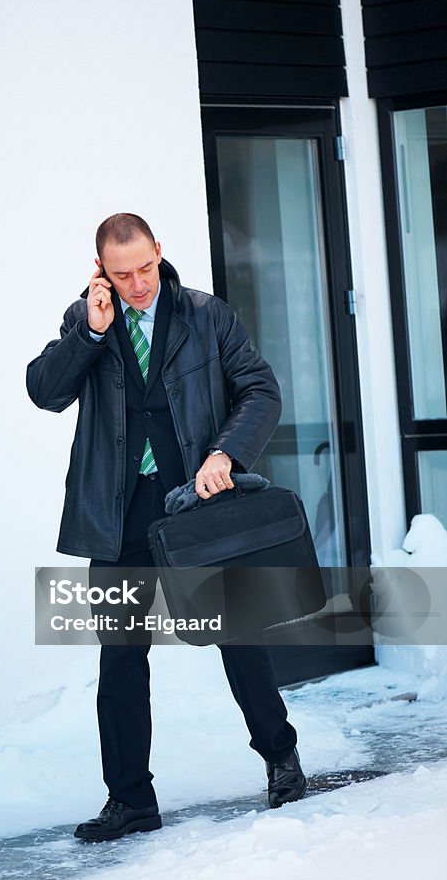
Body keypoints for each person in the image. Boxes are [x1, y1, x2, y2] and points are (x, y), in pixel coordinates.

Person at [27, 213, 307, 842]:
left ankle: (280, 758)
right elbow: (45, 391)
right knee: (121, 659)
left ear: (161, 253)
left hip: (197, 505)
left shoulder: (207, 316)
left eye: (145, 268)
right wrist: (91, 335)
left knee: (239, 635)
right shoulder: (87, 320)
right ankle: (130, 801)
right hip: (118, 512)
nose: (136, 284)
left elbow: (259, 390)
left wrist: (225, 455)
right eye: (121, 274)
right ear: (101, 269)